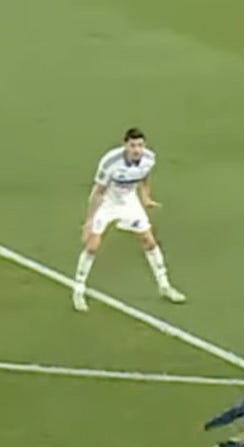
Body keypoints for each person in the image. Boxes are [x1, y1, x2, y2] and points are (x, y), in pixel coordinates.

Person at [73, 127, 185, 312]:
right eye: (133, 145)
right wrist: (89, 220)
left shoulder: (149, 159)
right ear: (125, 145)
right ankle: (78, 289)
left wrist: (146, 198)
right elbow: (98, 192)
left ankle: (164, 286)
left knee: (149, 240)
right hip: (106, 202)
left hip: (128, 201)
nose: (137, 150)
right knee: (92, 245)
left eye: (140, 145)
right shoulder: (110, 162)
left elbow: (145, 177)